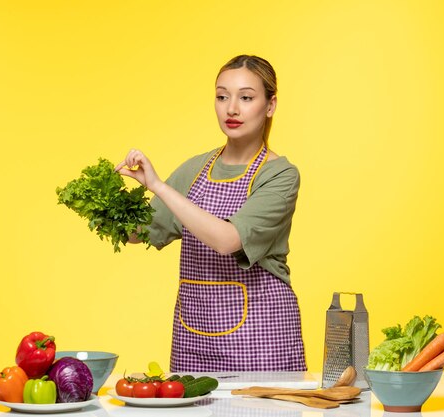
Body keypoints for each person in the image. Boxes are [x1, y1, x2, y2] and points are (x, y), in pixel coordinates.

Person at [115, 55, 307, 372]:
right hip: (194, 337)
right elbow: (138, 234)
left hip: (260, 338)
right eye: (222, 96)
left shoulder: (280, 176)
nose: (232, 108)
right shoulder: (195, 168)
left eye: (246, 97)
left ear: (270, 105)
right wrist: (108, 199)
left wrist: (159, 187)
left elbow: (227, 240)